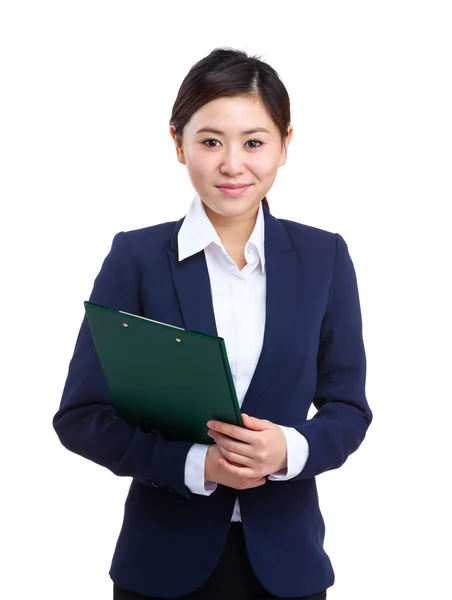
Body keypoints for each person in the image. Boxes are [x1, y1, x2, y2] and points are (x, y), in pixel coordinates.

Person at [53, 47, 373, 600]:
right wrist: (196, 464)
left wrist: (290, 451)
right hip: (161, 569)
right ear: (177, 143)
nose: (232, 164)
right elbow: (82, 417)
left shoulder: (325, 258)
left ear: (284, 144)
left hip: (287, 569)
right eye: (209, 141)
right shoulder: (136, 258)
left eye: (254, 142)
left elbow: (348, 409)